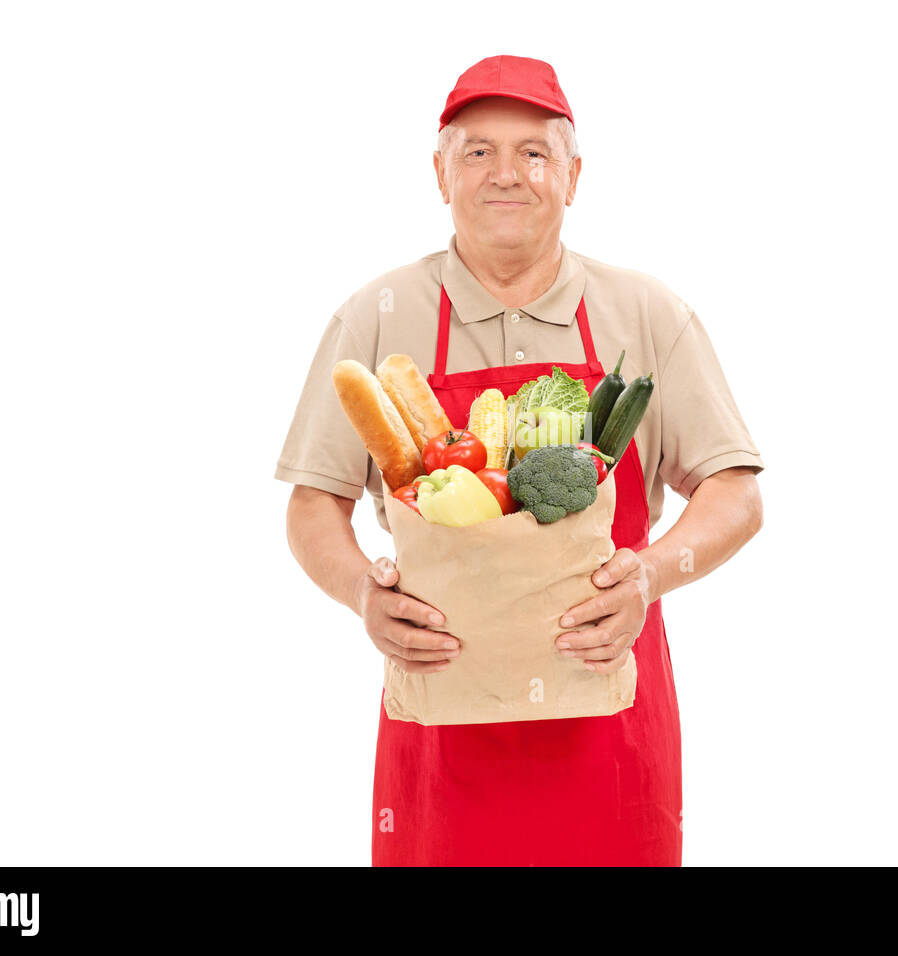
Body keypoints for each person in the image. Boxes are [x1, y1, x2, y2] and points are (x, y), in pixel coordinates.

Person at [276, 55, 765, 866]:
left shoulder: (645, 313)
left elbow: (735, 492)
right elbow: (312, 502)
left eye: (534, 154)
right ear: (439, 174)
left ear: (573, 176)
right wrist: (365, 592)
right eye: (477, 153)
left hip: (610, 735)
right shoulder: (374, 318)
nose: (507, 174)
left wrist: (649, 574)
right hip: (439, 742)